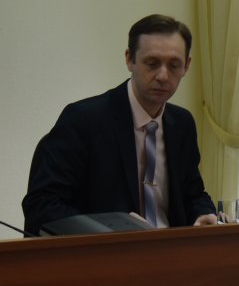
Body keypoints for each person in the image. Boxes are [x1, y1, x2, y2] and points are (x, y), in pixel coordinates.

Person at [23, 14, 218, 235]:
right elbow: (42, 205)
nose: (163, 76)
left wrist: (204, 213)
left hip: (172, 250)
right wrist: (112, 228)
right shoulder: (83, 120)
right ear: (129, 59)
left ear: (187, 66)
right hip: (105, 252)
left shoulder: (181, 123)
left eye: (174, 65)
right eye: (152, 63)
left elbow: (193, 194)